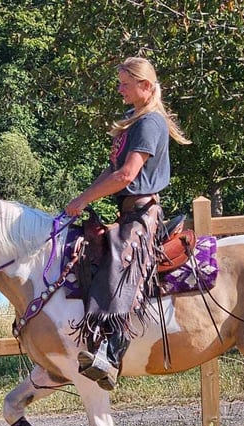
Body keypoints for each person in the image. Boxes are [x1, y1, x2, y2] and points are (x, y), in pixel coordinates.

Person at [66, 56, 191, 391]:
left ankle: (111, 352)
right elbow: (112, 170)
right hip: (127, 211)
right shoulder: (130, 120)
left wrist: (85, 200)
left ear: (145, 86)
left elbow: (127, 175)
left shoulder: (149, 122)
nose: (119, 89)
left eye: (125, 83)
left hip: (142, 214)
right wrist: (83, 197)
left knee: (120, 269)